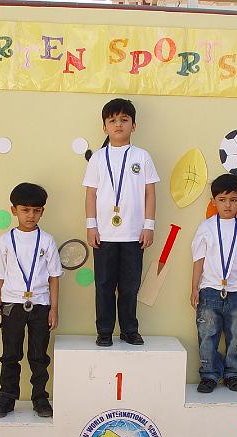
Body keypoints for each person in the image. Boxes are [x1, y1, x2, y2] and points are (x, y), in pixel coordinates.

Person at [83, 98, 159, 347]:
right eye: (112, 120)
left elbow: (150, 193)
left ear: (133, 125)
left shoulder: (142, 156)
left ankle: (129, 329)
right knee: (104, 285)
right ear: (104, 126)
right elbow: (91, 195)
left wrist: (149, 226)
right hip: (104, 234)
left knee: (130, 286)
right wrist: (91, 226)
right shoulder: (97, 158)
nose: (118, 125)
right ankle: (104, 330)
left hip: (134, 234)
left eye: (124, 120)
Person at [0, 183, 62, 418]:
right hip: (11, 305)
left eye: (36, 210)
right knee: (10, 354)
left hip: (40, 305)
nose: (31, 215)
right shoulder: (5, 241)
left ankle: (40, 398)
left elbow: (54, 277)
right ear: (14, 210)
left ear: (42, 212)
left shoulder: (47, 241)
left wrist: (54, 309)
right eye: (25, 210)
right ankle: (6, 398)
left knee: (39, 355)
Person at [191, 174, 237, 393]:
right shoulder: (206, 227)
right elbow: (198, 260)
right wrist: (194, 288)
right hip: (210, 291)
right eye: (222, 199)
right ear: (213, 201)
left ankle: (233, 374)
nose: (227, 205)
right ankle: (209, 375)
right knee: (207, 335)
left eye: (233, 200)